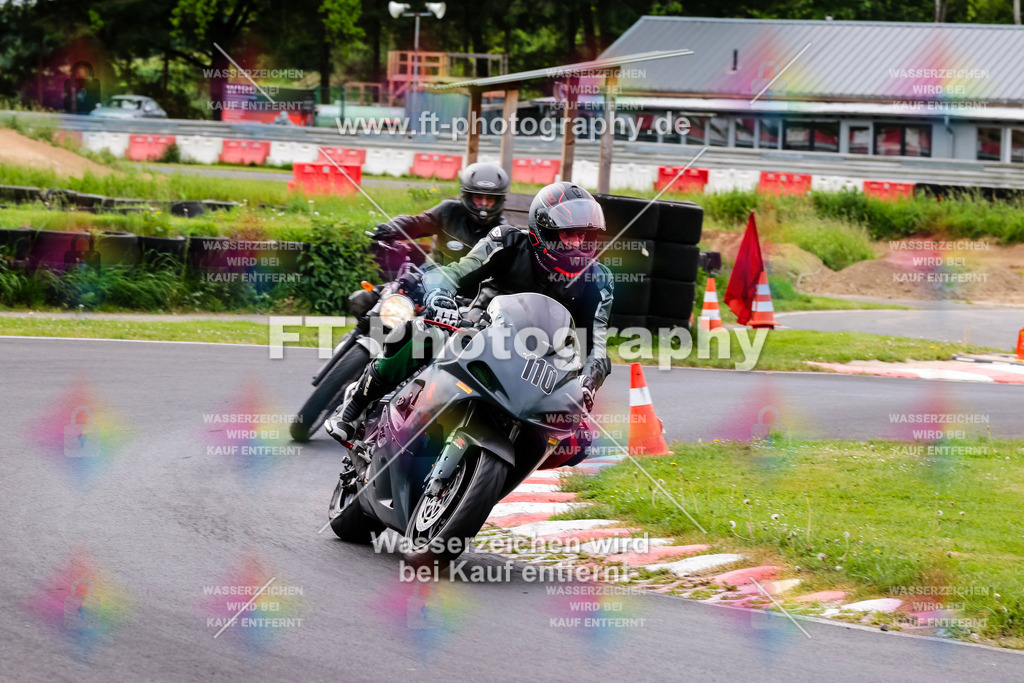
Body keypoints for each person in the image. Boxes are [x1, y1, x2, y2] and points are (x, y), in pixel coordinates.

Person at [328, 181, 613, 467]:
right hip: (479, 333)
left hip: (540, 366)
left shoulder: (598, 280)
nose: (578, 244)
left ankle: (494, 481)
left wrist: (587, 382)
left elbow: (597, 346)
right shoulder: (508, 240)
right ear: (545, 230)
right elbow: (455, 272)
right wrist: (440, 296)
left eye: (584, 236)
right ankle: (355, 405)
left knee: (578, 442)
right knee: (422, 335)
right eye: (568, 235)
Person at [371, 162, 510, 265]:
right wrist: (392, 227)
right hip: (434, 277)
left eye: (490, 198)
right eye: (478, 197)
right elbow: (417, 223)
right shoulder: (448, 211)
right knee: (364, 298)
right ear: (468, 196)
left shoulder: (504, 234)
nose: (484, 204)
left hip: (474, 294)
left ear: (498, 200)